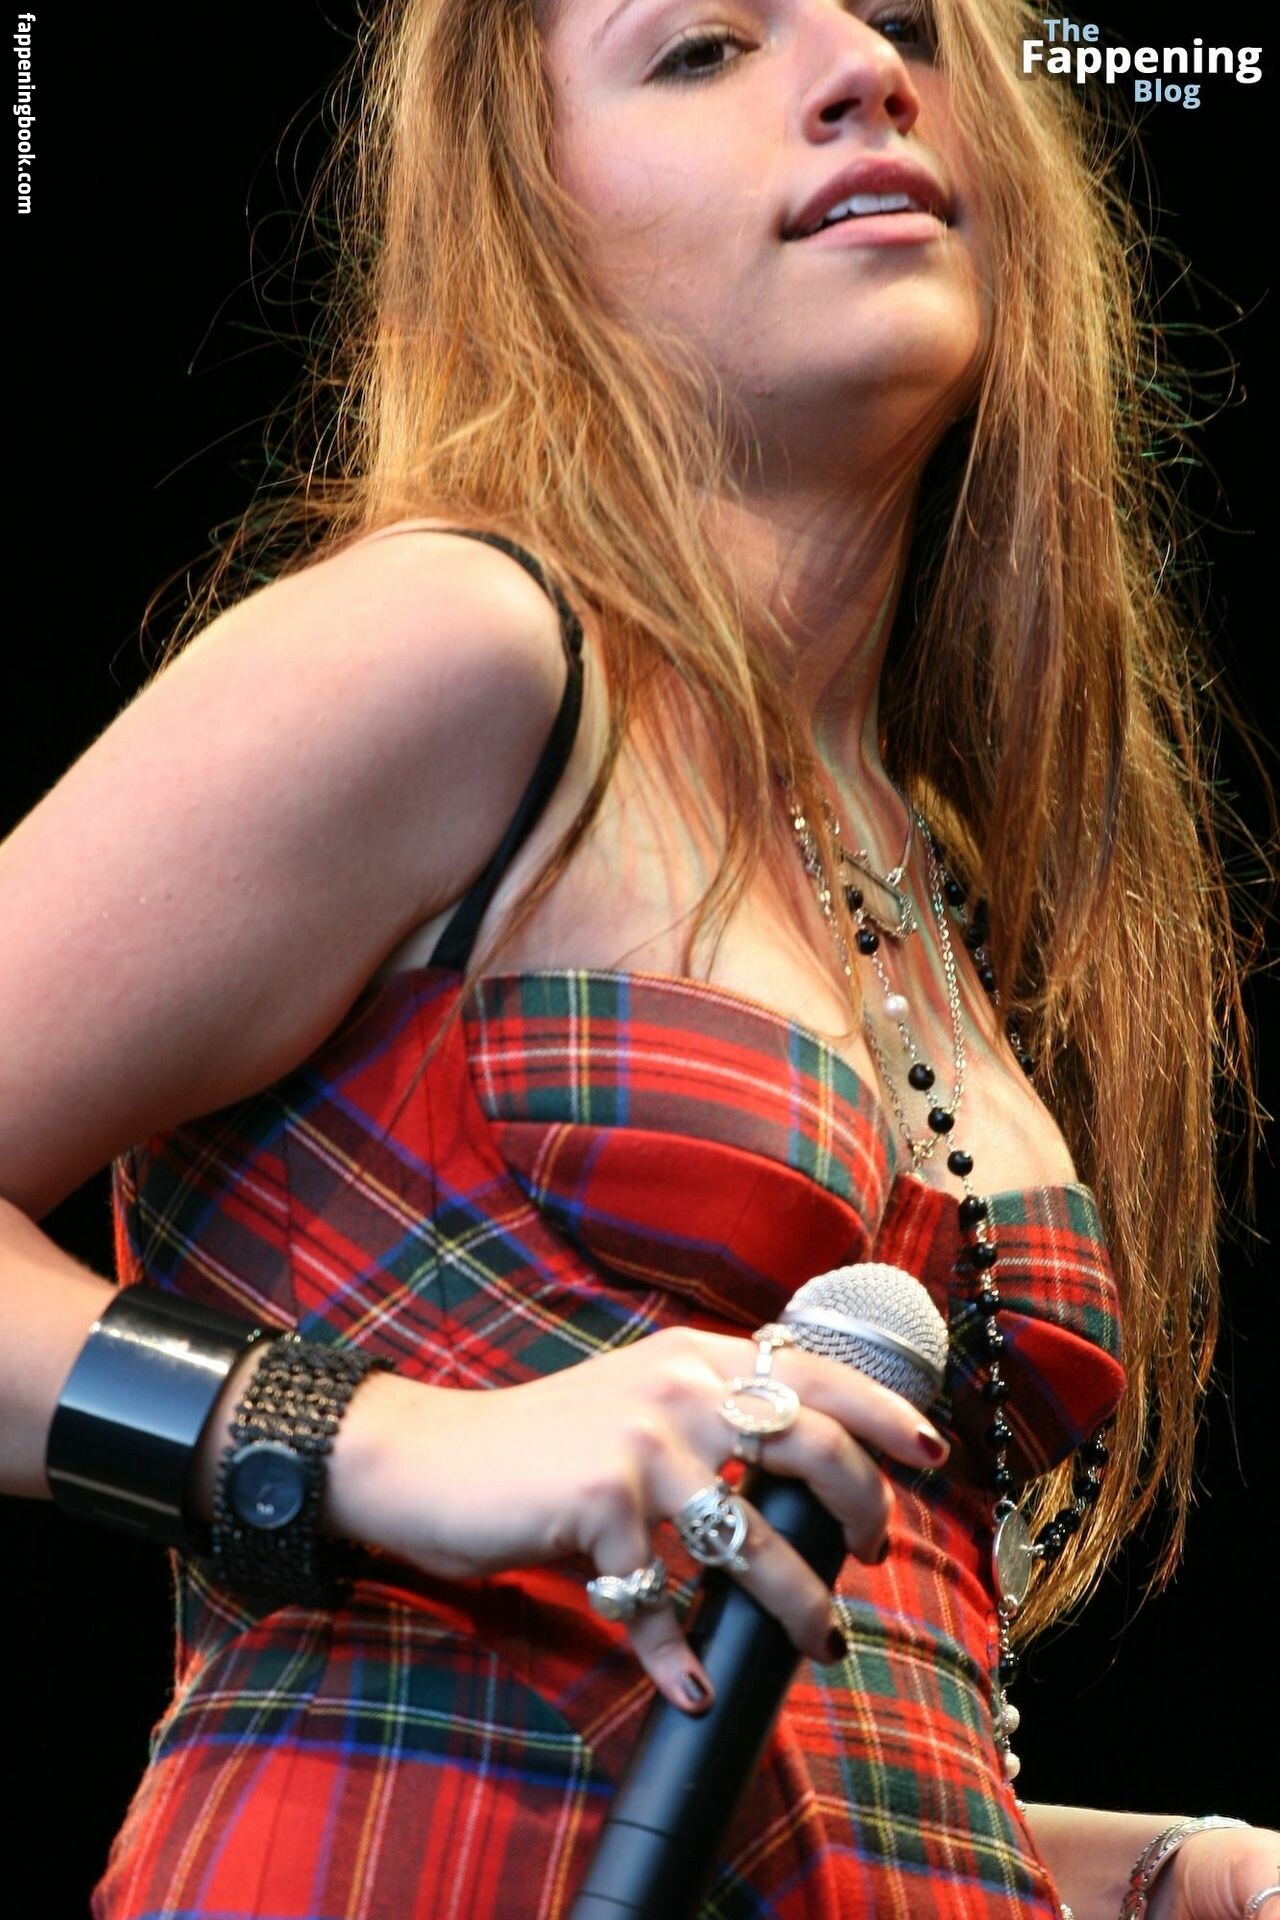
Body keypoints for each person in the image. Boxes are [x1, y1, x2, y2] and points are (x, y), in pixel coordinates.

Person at [2, 0, 1276, 1915]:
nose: (866, 70)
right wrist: (388, 1445)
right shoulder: (464, 645)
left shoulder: (931, 878)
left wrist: (1140, 1878)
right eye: (701, 47)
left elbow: (778, 1724)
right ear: (527, 212)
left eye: (907, 22)